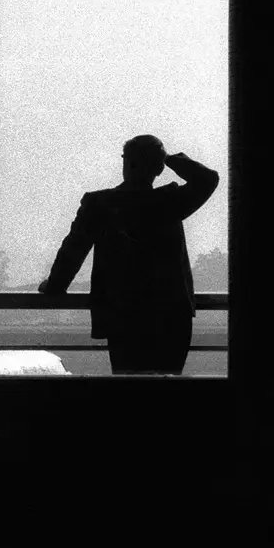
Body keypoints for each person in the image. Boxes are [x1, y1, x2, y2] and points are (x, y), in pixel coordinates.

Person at [40, 136, 219, 375]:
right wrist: (170, 159)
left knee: (128, 395)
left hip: (122, 314)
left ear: (125, 163)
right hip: (171, 315)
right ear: (157, 168)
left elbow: (73, 250)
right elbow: (208, 179)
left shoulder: (100, 204)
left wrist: (54, 286)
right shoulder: (169, 201)